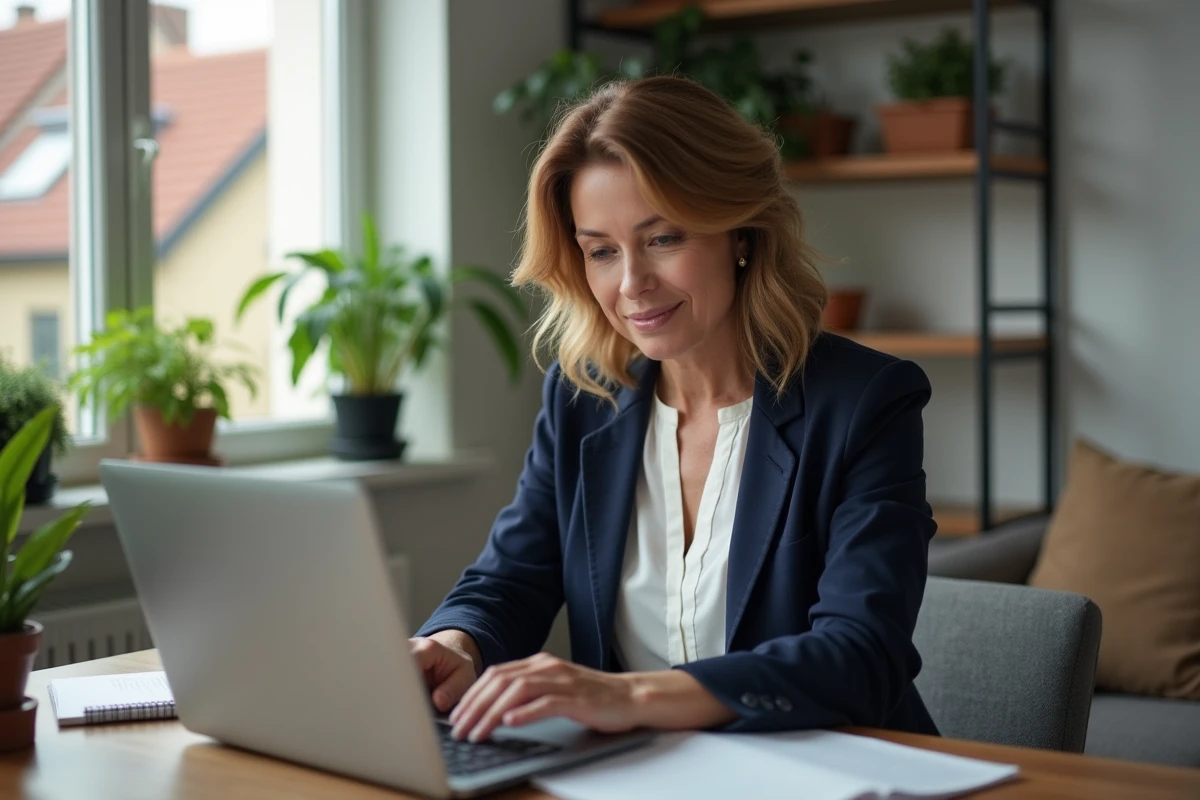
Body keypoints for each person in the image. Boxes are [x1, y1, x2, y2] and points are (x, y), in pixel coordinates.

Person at [410, 76, 939, 744]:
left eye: (663, 239)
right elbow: (511, 578)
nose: (632, 284)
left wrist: (626, 694)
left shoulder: (865, 402)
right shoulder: (583, 400)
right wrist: (455, 644)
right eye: (601, 250)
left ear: (740, 232)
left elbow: (862, 656)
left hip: (835, 770)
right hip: (639, 775)